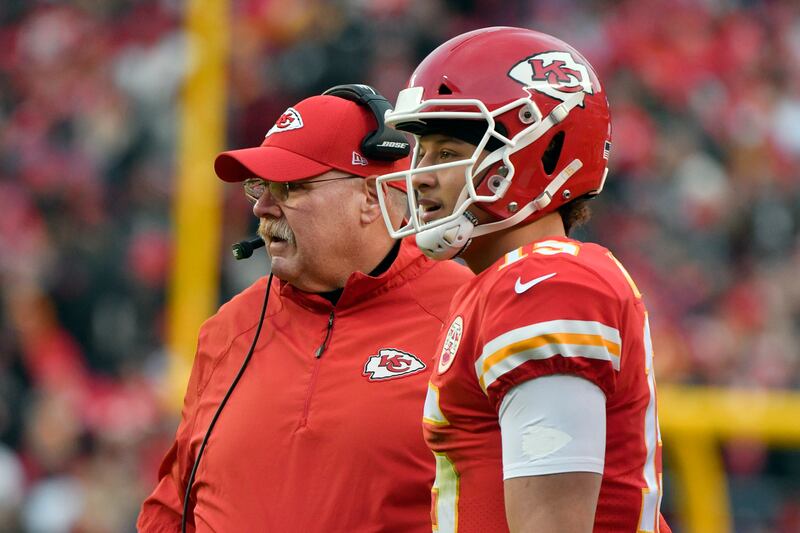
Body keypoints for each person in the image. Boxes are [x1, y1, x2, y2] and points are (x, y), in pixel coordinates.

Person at [137, 86, 473, 532]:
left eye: (290, 187)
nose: (262, 206)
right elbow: (172, 505)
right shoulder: (230, 328)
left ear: (372, 197)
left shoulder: (466, 310)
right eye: (259, 186)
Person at [375, 27, 671, 532]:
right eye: (421, 152)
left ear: (541, 151)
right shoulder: (499, 282)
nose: (420, 175)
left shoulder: (546, 283)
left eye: (447, 154)